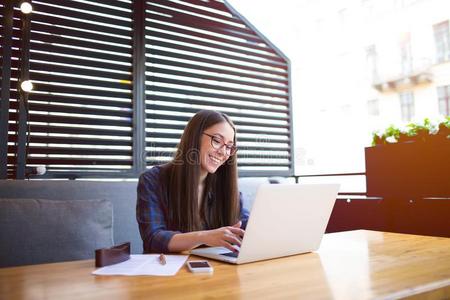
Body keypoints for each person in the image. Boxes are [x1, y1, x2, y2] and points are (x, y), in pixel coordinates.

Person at [136, 110, 249, 254]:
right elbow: (153, 238)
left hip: (217, 270)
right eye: (217, 141)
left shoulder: (227, 188)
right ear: (195, 137)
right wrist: (204, 237)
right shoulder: (153, 180)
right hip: (171, 271)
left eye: (229, 146)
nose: (223, 152)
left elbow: (249, 227)